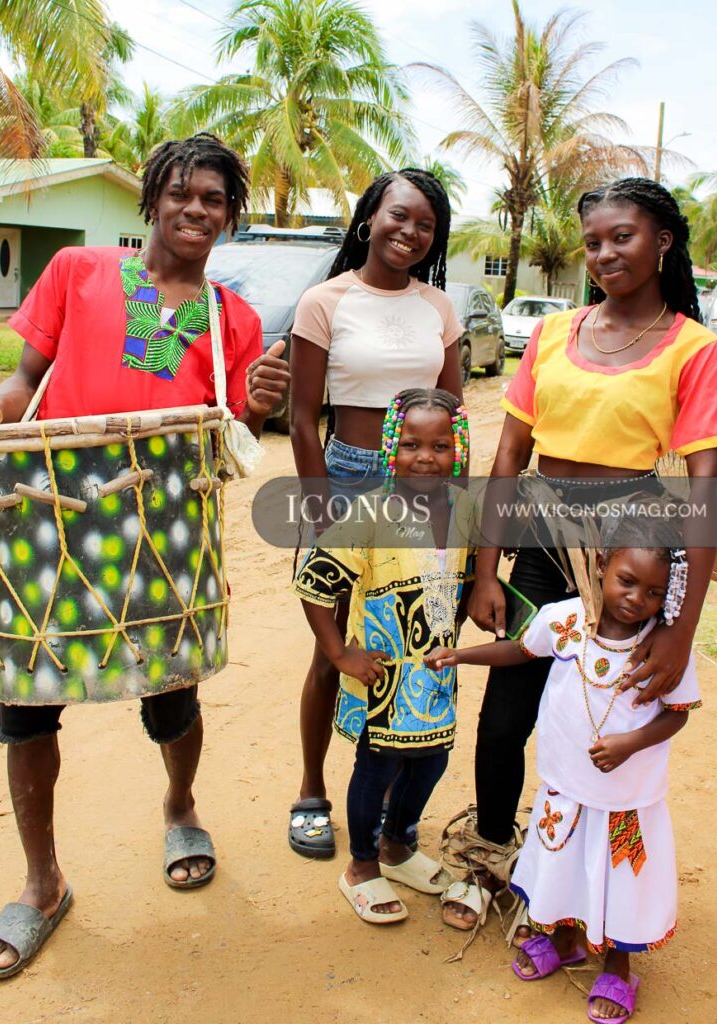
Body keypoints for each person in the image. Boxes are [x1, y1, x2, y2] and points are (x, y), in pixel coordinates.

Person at [0, 134, 290, 979]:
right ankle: (42, 881)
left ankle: (179, 803)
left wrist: (262, 404)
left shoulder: (230, 318)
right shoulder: (81, 272)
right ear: (153, 201)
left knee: (172, 699)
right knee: (24, 705)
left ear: (230, 216)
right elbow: (26, 380)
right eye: (181, 192)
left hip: (163, 535)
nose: (196, 208)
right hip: (48, 520)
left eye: (213, 199)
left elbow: (232, 429)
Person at [442, 177, 717, 941]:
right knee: (505, 715)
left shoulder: (692, 348)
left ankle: (605, 894)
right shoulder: (551, 335)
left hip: (632, 560)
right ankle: (491, 859)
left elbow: (706, 489)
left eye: (622, 237)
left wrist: (677, 627)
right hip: (540, 546)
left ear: (662, 241)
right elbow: (509, 452)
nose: (604, 254)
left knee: (614, 717)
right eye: (594, 241)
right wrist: (483, 573)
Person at [426, 519, 701, 1023]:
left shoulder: (662, 647)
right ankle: (567, 938)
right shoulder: (567, 619)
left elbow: (677, 712)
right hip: (566, 786)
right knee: (564, 861)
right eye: (627, 581)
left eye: (655, 592)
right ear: (601, 565)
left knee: (622, 880)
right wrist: (460, 655)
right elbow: (519, 650)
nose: (637, 599)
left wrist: (631, 743)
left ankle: (618, 967)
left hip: (625, 799)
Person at [288, 169, 464, 858]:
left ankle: (389, 801)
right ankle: (311, 793)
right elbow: (302, 420)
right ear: (368, 218)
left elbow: (452, 423)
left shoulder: (439, 309)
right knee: (329, 647)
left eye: (425, 224)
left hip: (420, 492)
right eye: (399, 215)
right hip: (344, 477)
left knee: (406, 643)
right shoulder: (324, 301)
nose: (410, 232)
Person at [293, 388, 475, 922]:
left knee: (432, 761)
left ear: (458, 449)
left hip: (436, 677)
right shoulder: (369, 513)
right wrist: (340, 653)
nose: (426, 457)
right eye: (412, 444)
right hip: (382, 680)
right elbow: (315, 585)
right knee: (377, 768)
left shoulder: (466, 509)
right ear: (391, 447)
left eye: (440, 445)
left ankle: (399, 845)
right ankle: (362, 865)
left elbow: (471, 575)